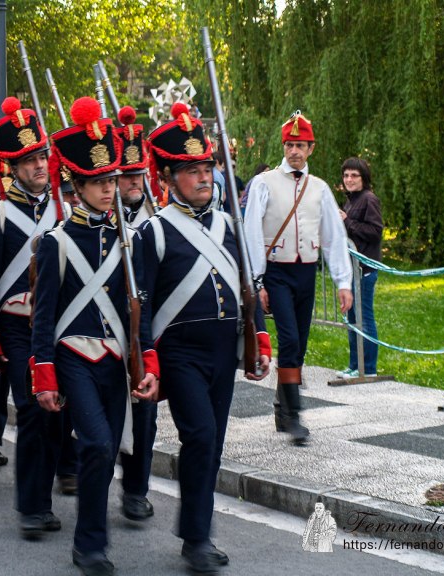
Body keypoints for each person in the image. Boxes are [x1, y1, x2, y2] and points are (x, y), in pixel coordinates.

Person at [32, 96, 159, 576]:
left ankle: (92, 537)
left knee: (108, 451)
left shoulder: (131, 240)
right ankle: (89, 546)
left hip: (114, 359)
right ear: (78, 184)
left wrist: (147, 359)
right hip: (71, 356)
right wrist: (43, 372)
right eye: (99, 182)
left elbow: (137, 311)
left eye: (112, 181)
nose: (110, 190)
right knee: (99, 446)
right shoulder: (57, 242)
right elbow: (43, 318)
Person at [144, 102, 272, 574]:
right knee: (198, 435)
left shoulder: (227, 225)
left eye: (206, 167)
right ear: (168, 178)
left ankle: (196, 530)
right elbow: (140, 306)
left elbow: (246, 287)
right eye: (191, 170)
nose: (203, 177)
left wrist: (258, 335)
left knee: (213, 443)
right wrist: (148, 360)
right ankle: (196, 537)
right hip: (180, 353)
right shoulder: (153, 233)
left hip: (224, 350)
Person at [0, 97, 66, 537]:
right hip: (13, 325)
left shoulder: (62, 212)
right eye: (29, 160)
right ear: (11, 166)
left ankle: (48, 490)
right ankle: (32, 505)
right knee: (29, 408)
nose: (39, 166)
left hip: (57, 325)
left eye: (41, 157)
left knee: (55, 412)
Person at [244, 110, 353, 446]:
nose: (294, 150)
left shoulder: (319, 188)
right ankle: (294, 415)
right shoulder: (264, 183)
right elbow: (250, 233)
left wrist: (343, 281)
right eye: (290, 144)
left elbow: (334, 236)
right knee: (289, 339)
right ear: (284, 146)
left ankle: (281, 406)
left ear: (311, 148)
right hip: (276, 273)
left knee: (300, 344)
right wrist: (256, 280)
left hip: (306, 272)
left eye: (300, 145)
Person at [114, 105, 156, 521]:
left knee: (145, 414)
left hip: (145, 331)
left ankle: (135, 489)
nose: (132, 183)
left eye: (137, 175)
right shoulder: (99, 218)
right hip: (105, 328)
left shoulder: (156, 220)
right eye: (125, 176)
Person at [336, 157, 383, 378]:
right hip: (352, 269)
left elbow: (375, 232)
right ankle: (355, 365)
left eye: (354, 175)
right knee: (353, 319)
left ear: (363, 178)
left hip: (364, 268)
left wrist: (347, 222)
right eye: (346, 175)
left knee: (364, 318)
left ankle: (369, 368)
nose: (349, 179)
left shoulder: (368, 199)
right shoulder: (351, 200)